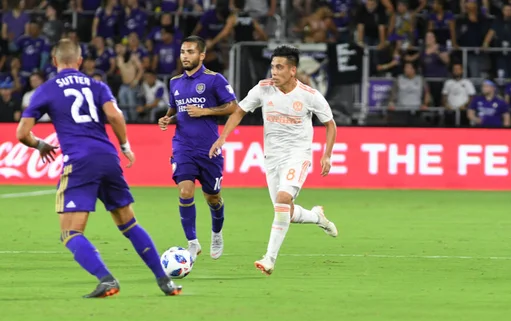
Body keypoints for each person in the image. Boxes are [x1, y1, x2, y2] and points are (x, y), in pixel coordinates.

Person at [15, 39, 182, 298]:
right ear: (80, 61)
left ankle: (106, 279)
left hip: (80, 161)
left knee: (70, 233)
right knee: (129, 224)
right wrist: (125, 146)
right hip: (108, 157)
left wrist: (40, 145)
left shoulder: (47, 89)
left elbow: (22, 133)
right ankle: (165, 281)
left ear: (55, 61)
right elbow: (115, 116)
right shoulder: (97, 85)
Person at [208, 45, 338, 276]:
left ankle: (269, 258)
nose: (274, 72)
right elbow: (239, 111)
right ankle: (317, 216)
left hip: (298, 156)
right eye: (272, 67)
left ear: (293, 70)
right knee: (284, 210)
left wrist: (326, 155)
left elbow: (330, 124)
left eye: (279, 67)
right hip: (272, 158)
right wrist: (223, 138)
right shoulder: (263, 89)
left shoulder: (309, 96)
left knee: (282, 199)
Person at [158, 36, 237, 262]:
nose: (185, 56)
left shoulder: (215, 80)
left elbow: (233, 106)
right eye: (183, 51)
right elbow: (175, 110)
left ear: (201, 55)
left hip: (209, 148)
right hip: (183, 146)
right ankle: (192, 243)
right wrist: (167, 119)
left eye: (190, 52)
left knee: (213, 197)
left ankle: (217, 233)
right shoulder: (174, 82)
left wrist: (206, 111)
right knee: (185, 191)